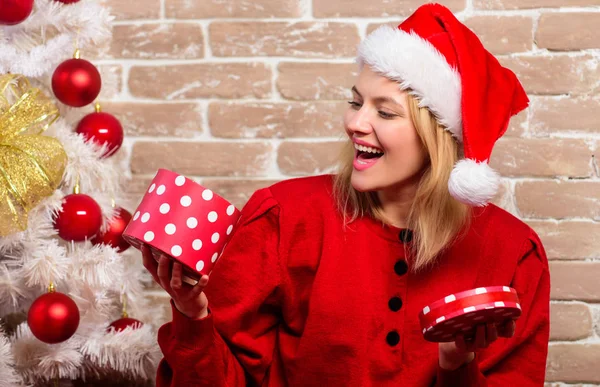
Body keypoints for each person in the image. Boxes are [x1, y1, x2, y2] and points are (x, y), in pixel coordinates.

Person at [144, 3, 550, 386]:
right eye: (356, 102)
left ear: (439, 138)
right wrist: (192, 314)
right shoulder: (284, 216)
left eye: (385, 112)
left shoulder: (514, 254)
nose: (356, 123)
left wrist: (456, 365)